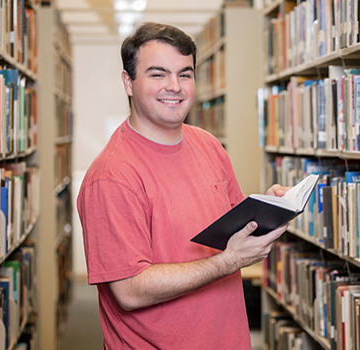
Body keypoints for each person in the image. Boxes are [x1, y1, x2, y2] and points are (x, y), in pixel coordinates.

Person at [77, 22, 289, 349]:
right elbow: (130, 291)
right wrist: (228, 261)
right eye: (158, 74)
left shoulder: (208, 145)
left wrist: (271, 210)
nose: (174, 86)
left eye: (185, 74)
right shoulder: (111, 176)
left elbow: (235, 230)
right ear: (128, 83)